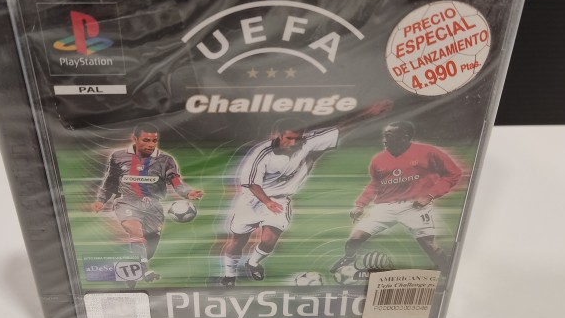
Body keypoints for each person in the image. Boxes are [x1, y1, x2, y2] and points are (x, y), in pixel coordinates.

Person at [220, 100, 392, 286]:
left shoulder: (308, 143)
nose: (293, 143)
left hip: (280, 200)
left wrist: (369, 113)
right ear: (277, 135)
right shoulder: (262, 153)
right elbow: (252, 184)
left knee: (269, 240)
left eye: (298, 138)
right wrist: (267, 202)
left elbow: (342, 127)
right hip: (253, 199)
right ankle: (229, 275)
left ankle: (253, 263)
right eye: (289, 138)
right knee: (237, 241)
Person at [330, 121, 461, 278]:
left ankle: (447, 273)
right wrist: (360, 205)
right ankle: (349, 258)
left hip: (415, 206)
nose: (384, 140)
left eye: (389, 136)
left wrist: (429, 195)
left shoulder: (428, 152)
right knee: (355, 238)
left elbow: (453, 173)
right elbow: (375, 185)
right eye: (384, 136)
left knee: (429, 245)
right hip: (385, 207)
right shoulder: (378, 159)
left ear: (404, 137)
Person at [92, 123, 203, 281]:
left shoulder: (165, 160)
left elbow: (176, 181)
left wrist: (187, 192)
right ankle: (144, 271)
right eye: (146, 140)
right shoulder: (118, 156)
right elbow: (111, 180)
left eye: (154, 140)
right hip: (126, 201)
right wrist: (101, 200)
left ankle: (133, 271)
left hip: (153, 206)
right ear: (135, 139)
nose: (151, 144)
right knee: (135, 231)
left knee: (148, 248)